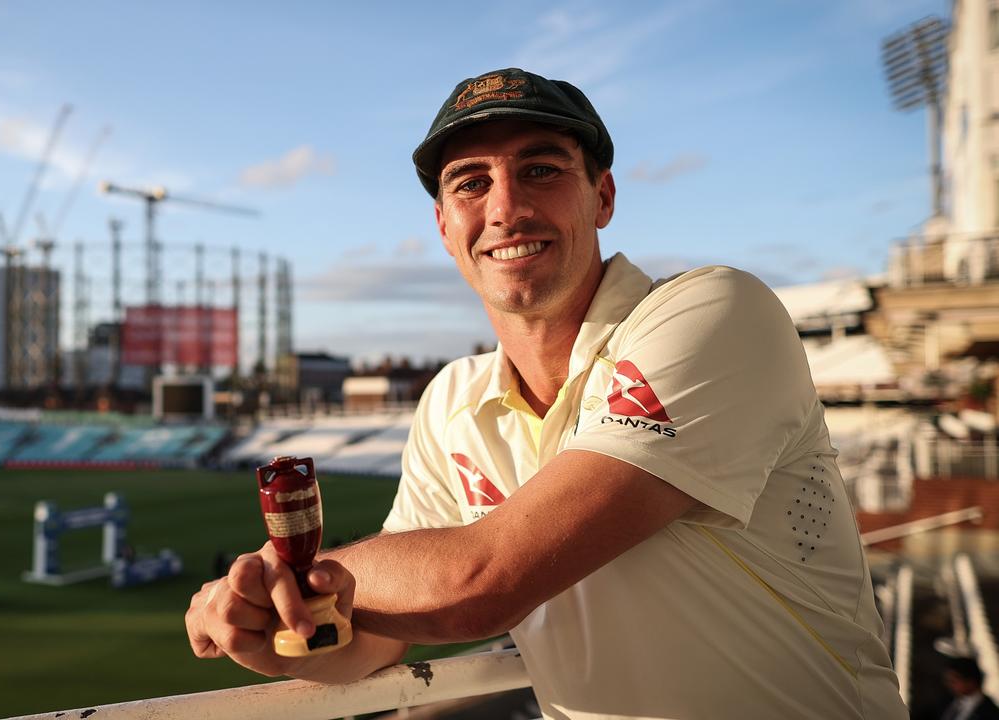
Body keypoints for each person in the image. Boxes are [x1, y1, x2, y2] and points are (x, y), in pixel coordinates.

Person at [186, 68, 909, 718]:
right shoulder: (451, 399)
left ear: (602, 196)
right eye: (470, 182)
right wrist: (263, 626)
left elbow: (483, 580)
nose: (505, 208)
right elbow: (372, 640)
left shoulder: (714, 312)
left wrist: (308, 576)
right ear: (443, 226)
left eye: (539, 170)